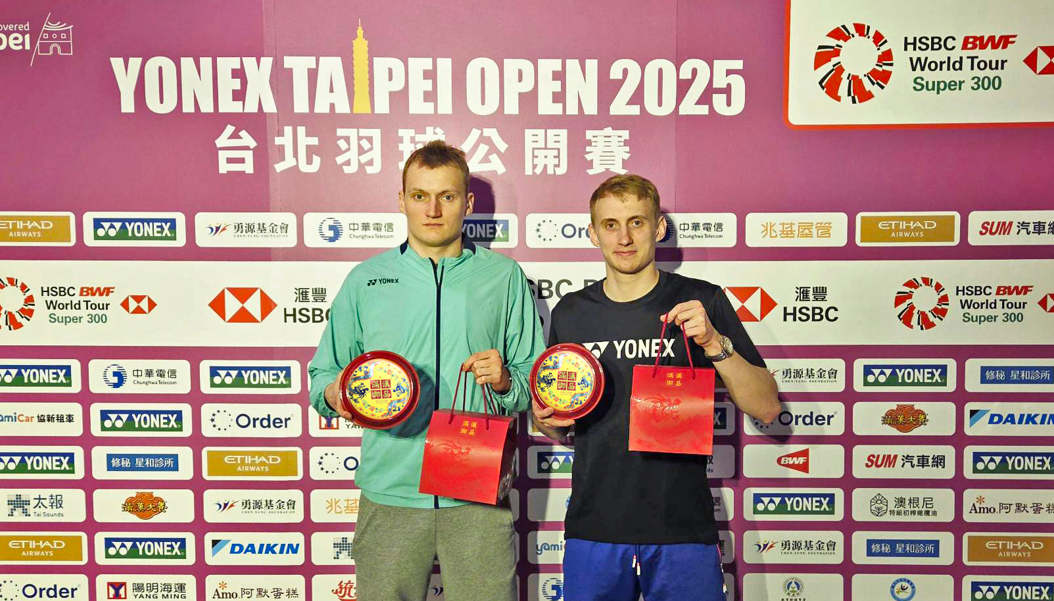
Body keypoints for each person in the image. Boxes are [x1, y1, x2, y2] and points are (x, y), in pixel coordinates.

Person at [309, 140, 545, 601]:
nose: (433, 210)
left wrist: (505, 382)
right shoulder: (366, 280)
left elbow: (534, 381)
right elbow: (323, 378)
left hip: (476, 488)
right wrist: (340, 394)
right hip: (391, 490)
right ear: (402, 200)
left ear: (468, 203)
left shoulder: (503, 277)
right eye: (420, 196)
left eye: (446, 196)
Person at [532, 174, 780, 601]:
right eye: (610, 225)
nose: (624, 238)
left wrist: (714, 343)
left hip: (682, 527)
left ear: (659, 227)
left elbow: (767, 407)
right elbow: (556, 427)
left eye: (636, 222)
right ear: (592, 233)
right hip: (595, 527)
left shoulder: (701, 301)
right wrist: (547, 420)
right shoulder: (571, 312)